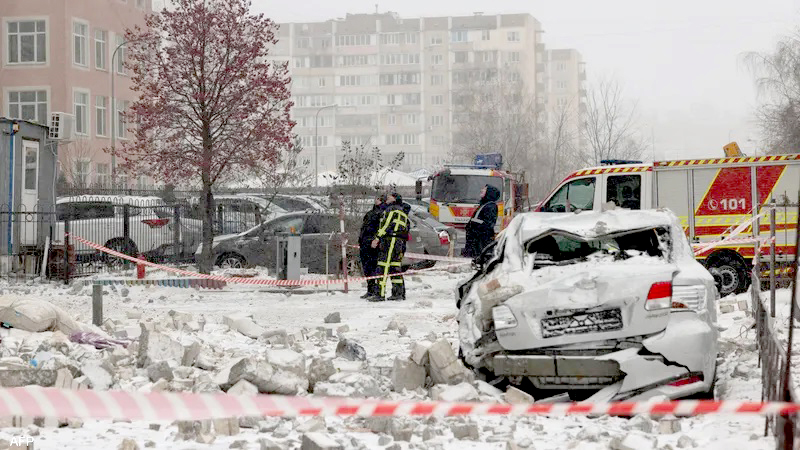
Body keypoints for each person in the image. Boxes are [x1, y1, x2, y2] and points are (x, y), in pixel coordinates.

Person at [371, 192, 411, 301]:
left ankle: (379, 294)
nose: (387, 198)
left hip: (390, 240)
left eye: (389, 197)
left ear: (394, 199)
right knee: (394, 267)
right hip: (398, 242)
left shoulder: (392, 210)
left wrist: (377, 238)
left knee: (382, 266)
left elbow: (386, 225)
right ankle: (398, 293)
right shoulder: (402, 211)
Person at [359, 194, 386, 299]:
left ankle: (376, 290)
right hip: (364, 243)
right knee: (367, 268)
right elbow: (364, 228)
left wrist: (375, 240)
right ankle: (370, 290)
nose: (376, 200)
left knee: (374, 267)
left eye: (378, 199)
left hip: (374, 244)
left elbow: (381, 229)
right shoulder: (371, 213)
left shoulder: (382, 213)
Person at [462, 184, 500, 259]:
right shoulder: (484, 205)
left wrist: (476, 231)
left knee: (480, 259)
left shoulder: (491, 206)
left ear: (489, 192)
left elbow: (488, 225)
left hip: (481, 242)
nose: (481, 190)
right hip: (475, 241)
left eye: (484, 189)